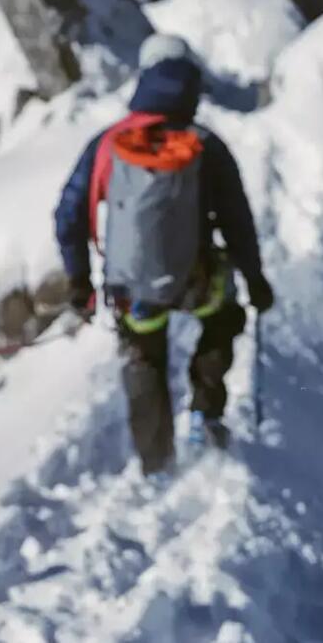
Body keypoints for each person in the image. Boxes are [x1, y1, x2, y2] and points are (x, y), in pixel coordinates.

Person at [53, 35, 275, 474]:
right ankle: (204, 411)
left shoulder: (108, 144)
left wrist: (79, 279)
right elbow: (236, 221)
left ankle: (156, 461)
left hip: (132, 288)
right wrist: (255, 278)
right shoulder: (206, 145)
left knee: (144, 357)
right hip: (197, 280)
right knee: (225, 318)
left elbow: (68, 212)